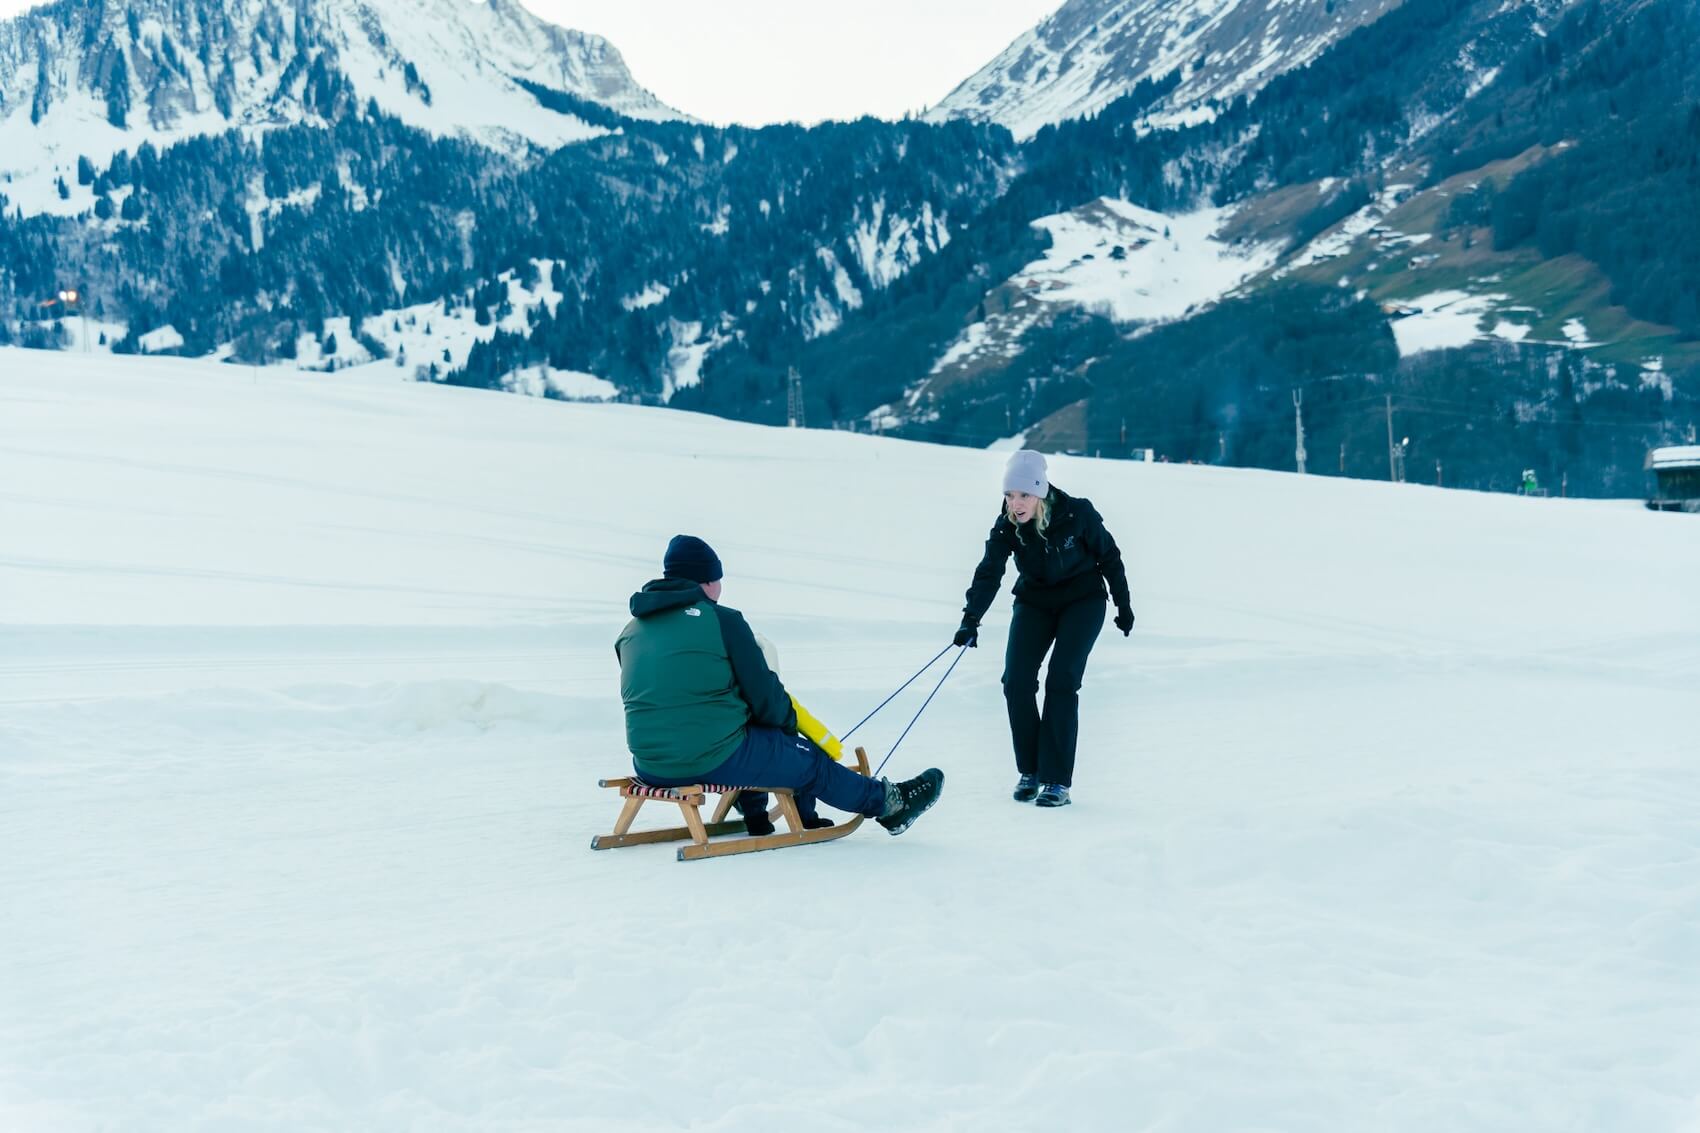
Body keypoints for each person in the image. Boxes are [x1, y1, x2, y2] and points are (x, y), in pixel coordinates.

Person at [616, 534, 944, 836]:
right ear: (707, 581)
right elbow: (764, 697)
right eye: (718, 580)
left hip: (649, 764)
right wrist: (789, 729)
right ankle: (891, 804)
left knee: (745, 735)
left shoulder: (630, 631)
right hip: (710, 758)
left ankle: (752, 804)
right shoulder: (722, 621)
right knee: (809, 760)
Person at [953, 451, 1133, 808]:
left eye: (1023, 495)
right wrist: (970, 618)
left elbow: (1109, 556)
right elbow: (990, 570)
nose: (1014, 503)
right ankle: (1031, 771)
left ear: (1040, 492)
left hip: (1083, 600)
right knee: (1015, 681)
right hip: (1035, 602)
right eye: (1008, 495)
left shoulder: (1077, 513)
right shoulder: (1007, 525)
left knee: (1062, 680)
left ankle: (1056, 781)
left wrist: (1123, 605)